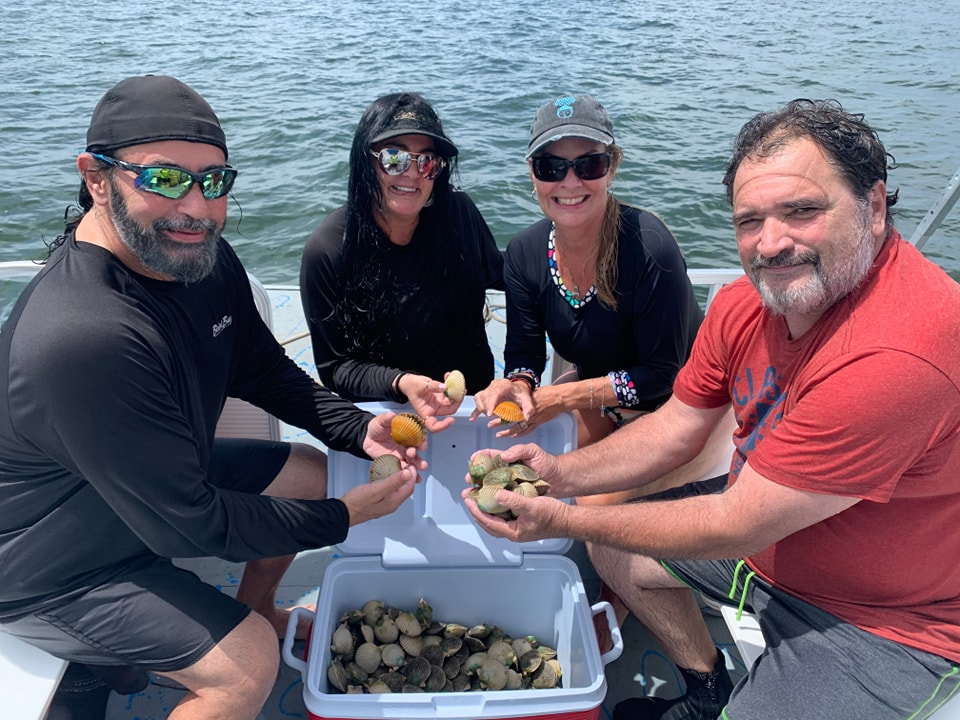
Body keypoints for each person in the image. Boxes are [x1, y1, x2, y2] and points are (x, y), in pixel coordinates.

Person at [463, 99, 960, 720]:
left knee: (602, 531)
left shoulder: (897, 352)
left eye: (803, 210)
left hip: (884, 622)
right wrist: (558, 476)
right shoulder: (742, 303)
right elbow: (675, 426)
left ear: (875, 205)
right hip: (771, 553)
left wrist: (560, 518)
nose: (771, 243)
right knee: (616, 553)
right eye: (750, 220)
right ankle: (706, 689)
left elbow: (737, 521)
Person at [0, 75, 422, 720]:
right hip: (50, 562)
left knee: (308, 473)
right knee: (246, 664)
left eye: (214, 181)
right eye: (164, 179)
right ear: (95, 177)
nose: (197, 208)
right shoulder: (85, 335)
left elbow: (259, 368)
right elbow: (192, 522)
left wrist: (355, 428)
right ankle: (234, 633)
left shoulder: (199, 258)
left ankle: (253, 606)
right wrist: (344, 517)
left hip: (153, 479)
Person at [470, 94, 730, 481]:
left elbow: (663, 373)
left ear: (612, 168)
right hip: (601, 399)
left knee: (592, 514)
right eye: (551, 167)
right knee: (522, 473)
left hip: (680, 406)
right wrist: (519, 384)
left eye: (589, 164)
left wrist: (562, 397)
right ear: (532, 174)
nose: (570, 182)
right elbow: (524, 352)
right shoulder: (525, 252)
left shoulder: (649, 247)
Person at [300, 92, 503, 430]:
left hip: (475, 409)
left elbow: (504, 273)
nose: (411, 173)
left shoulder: (459, 213)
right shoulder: (329, 250)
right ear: (367, 163)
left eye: (426, 161)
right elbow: (336, 368)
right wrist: (400, 382)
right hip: (388, 419)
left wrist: (567, 251)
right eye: (394, 158)